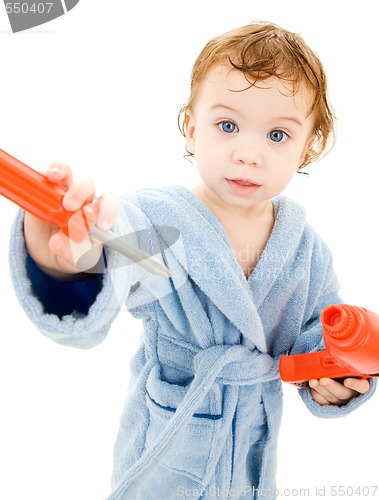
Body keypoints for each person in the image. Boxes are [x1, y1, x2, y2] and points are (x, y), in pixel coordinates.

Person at [9, 21, 376, 499]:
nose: (248, 153)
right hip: (169, 445)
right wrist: (64, 257)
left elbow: (312, 334)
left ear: (309, 144)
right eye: (228, 126)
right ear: (191, 126)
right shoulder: (161, 221)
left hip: (249, 458)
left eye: (278, 135)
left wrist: (332, 373)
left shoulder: (305, 250)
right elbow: (108, 257)